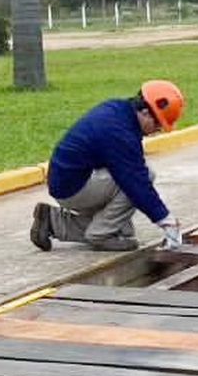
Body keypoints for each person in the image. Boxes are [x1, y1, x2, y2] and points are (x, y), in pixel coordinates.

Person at [30, 80, 186, 253]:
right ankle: (100, 235)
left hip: (70, 180)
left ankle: (52, 221)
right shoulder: (120, 133)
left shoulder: (118, 110)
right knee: (143, 177)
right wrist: (167, 221)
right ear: (146, 112)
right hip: (74, 188)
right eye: (158, 125)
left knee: (124, 233)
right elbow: (136, 182)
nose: (157, 130)